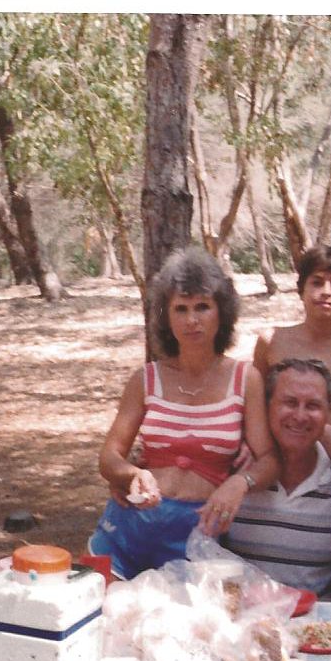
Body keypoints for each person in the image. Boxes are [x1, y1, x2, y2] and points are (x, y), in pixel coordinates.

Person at [89, 247, 279, 580]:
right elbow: (109, 457)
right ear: (166, 316)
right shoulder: (145, 379)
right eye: (181, 308)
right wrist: (130, 474)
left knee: (185, 613)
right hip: (128, 527)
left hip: (196, 533)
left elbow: (269, 460)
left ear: (222, 312)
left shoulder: (244, 379)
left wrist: (239, 482)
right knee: (104, 609)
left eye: (202, 307)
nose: (192, 320)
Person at [222, 358, 331, 597]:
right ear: (266, 406)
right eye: (290, 403)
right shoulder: (234, 467)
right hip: (244, 614)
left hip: (317, 617)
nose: (300, 416)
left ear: (328, 413)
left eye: (313, 405)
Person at [252, 244, 331, 454]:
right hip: (278, 455)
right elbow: (255, 406)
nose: (326, 292)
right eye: (317, 282)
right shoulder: (271, 341)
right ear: (302, 290)